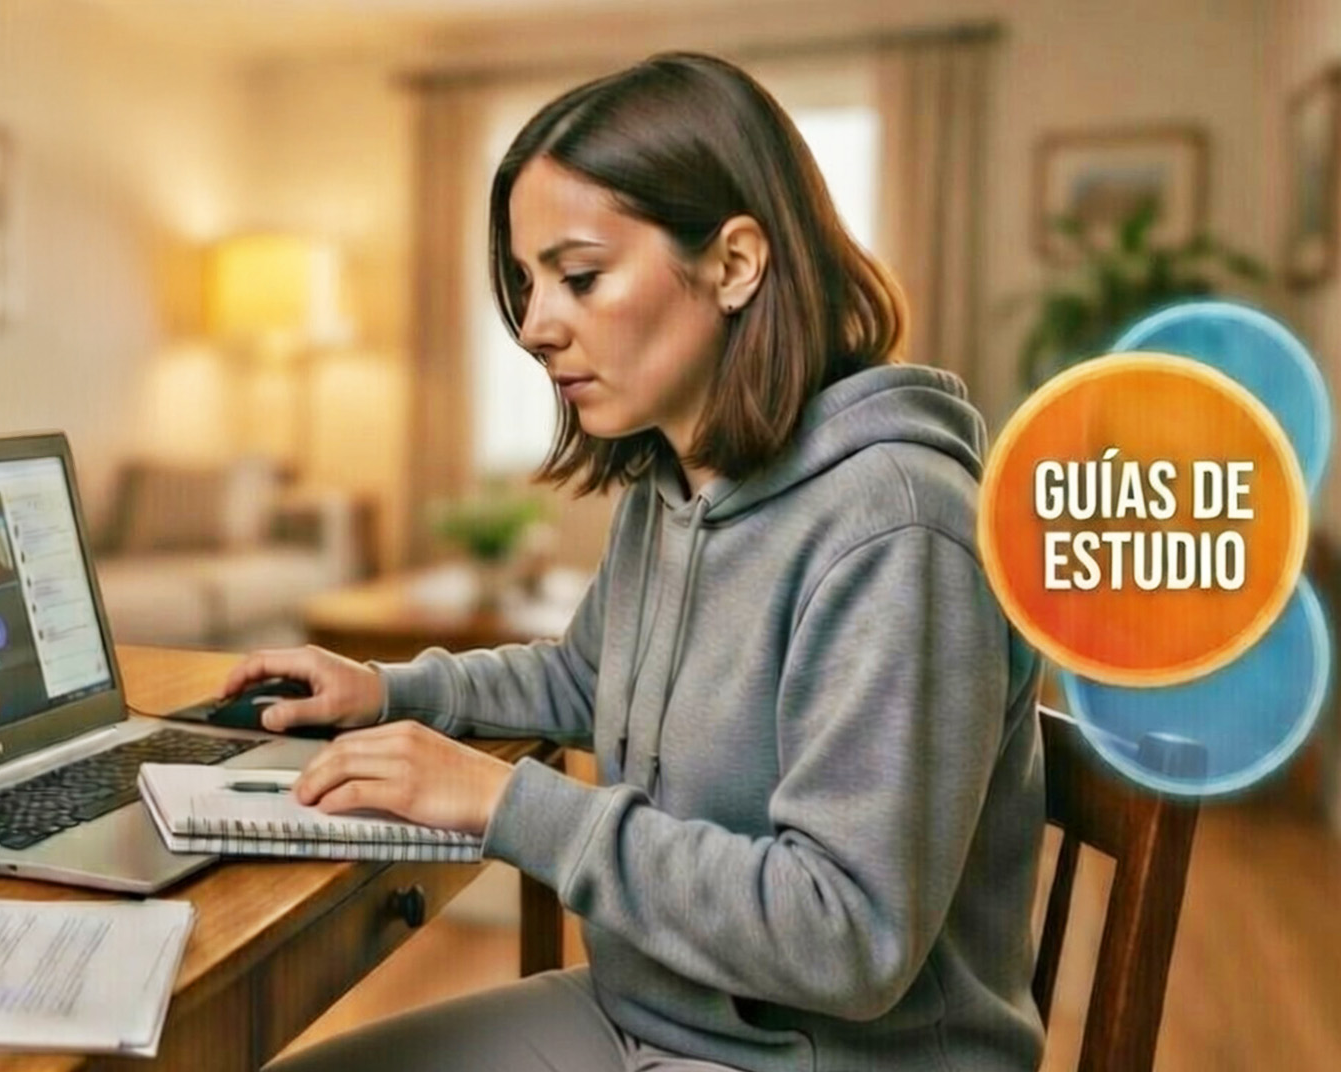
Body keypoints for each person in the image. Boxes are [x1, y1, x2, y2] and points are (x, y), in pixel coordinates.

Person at [235, 52, 1044, 1072]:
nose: (535, 327)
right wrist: (386, 690)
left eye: (578, 276)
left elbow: (847, 934)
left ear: (735, 264)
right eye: (526, 283)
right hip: (655, 1012)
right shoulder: (675, 485)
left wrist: (506, 805)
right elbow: (586, 677)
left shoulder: (898, 530)